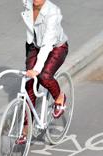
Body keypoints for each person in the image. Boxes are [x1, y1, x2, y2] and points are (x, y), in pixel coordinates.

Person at [17, 0, 69, 144]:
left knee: (44, 76)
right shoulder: (28, 4)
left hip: (56, 47)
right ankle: (27, 128)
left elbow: (47, 44)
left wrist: (36, 69)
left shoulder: (53, 12)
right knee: (28, 86)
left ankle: (60, 97)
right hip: (34, 45)